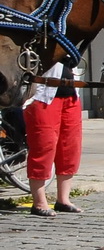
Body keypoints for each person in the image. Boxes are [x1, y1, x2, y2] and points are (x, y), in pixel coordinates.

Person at [22, 60, 83, 217]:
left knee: (70, 147)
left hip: (71, 95)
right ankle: (39, 202)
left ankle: (63, 199)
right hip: (43, 96)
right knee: (44, 146)